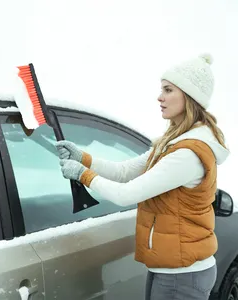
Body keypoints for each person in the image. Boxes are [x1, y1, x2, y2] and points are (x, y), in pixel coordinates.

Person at [55, 53, 230, 300]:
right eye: (162, 89)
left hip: (183, 274)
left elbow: (128, 194)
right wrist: (84, 158)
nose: (160, 97)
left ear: (189, 97)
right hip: (170, 267)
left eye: (168, 90)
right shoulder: (172, 142)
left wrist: (84, 175)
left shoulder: (189, 154)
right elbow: (124, 171)